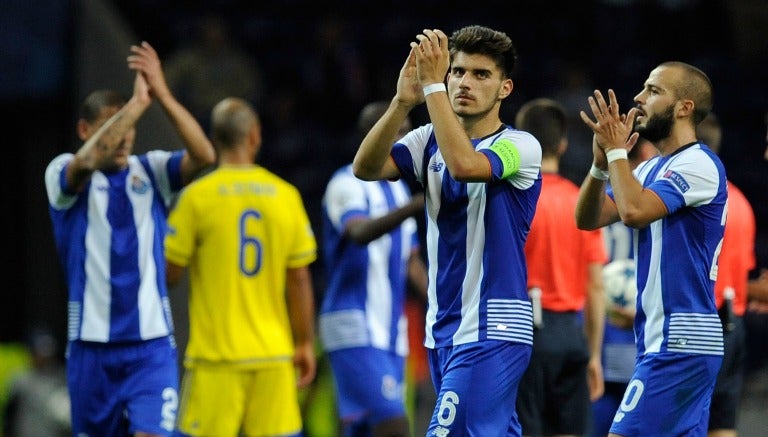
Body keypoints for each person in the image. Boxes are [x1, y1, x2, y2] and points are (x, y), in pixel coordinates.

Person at [352, 25, 543, 436]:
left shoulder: (521, 146)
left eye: (480, 74)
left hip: (493, 327)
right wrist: (403, 102)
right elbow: (365, 168)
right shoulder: (426, 141)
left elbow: (466, 166)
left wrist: (434, 89)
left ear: (505, 89)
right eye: (456, 72)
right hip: (444, 328)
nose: (463, 83)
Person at [44, 41, 215, 436]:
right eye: (112, 126)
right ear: (85, 131)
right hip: (91, 348)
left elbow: (204, 155)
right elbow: (88, 160)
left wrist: (162, 94)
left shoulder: (151, 171)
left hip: (151, 347)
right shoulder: (63, 175)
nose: (123, 137)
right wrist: (136, 104)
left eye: (129, 127)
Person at [574, 61, 726, 436]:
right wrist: (599, 166)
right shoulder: (650, 169)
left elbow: (634, 212)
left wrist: (616, 154)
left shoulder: (699, 163)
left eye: (654, 91)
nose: (638, 99)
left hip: (682, 338)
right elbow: (589, 218)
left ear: (684, 107)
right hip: (664, 337)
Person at [164, 97, 318, 437]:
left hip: (216, 359)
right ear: (254, 137)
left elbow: (169, 274)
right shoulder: (285, 195)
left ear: (215, 139)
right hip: (273, 356)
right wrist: (304, 343)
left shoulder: (196, 197)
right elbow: (300, 279)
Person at [319, 100, 428, 437]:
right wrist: (414, 206)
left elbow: (411, 265)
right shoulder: (346, 183)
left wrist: (442, 303)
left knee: (365, 429)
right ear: (374, 134)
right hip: (354, 323)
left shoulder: (396, 190)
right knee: (394, 425)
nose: (407, 142)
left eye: (409, 134)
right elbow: (359, 232)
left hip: (390, 331)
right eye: (399, 133)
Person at [513, 98, 607, 437]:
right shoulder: (581, 203)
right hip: (571, 334)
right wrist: (594, 354)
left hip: (522, 332)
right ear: (563, 145)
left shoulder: (512, 200)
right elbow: (596, 286)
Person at [589, 138, 658, 437]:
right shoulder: (654, 197)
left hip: (604, 326)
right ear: (645, 153)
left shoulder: (602, 201)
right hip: (635, 327)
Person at [696, 113, 753, 437]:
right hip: (736, 327)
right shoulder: (742, 202)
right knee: (723, 423)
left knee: (684, 421)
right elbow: (741, 275)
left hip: (704, 325)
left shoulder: (698, 200)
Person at [2, 327, 70, 437]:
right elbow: (8, 417)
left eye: (47, 352)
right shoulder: (21, 380)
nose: (43, 357)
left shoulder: (62, 378)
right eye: (40, 352)